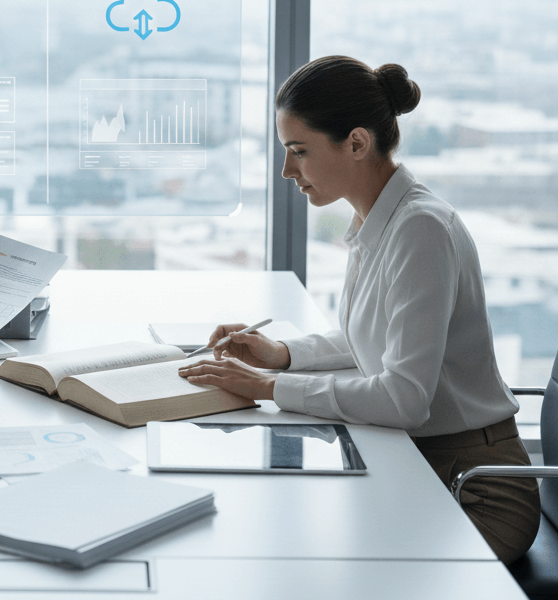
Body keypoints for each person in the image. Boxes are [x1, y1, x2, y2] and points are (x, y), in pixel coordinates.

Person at [179, 55, 540, 564]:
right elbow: (375, 338)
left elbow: (404, 399)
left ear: (356, 143)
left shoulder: (420, 229)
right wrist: (281, 354)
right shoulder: (379, 221)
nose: (287, 171)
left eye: (298, 151)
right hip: (418, 464)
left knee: (333, 561)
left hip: (475, 490)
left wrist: (268, 387)